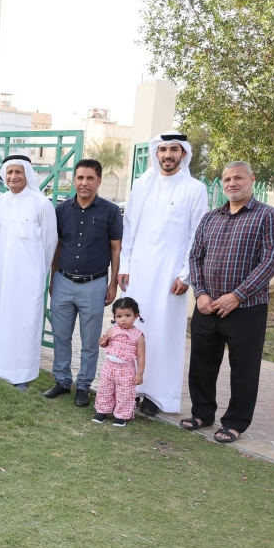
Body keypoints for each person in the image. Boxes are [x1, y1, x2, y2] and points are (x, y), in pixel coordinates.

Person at [184, 161, 274, 443]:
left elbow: (271, 261)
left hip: (247, 309)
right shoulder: (210, 218)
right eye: (227, 179)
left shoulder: (268, 216)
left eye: (238, 178)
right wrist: (200, 293)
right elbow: (195, 257)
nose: (232, 183)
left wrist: (238, 295)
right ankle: (202, 413)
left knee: (244, 368)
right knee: (202, 363)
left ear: (251, 179)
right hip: (207, 306)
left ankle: (235, 422)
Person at [118, 131, 208, 416]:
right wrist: (124, 265)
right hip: (139, 273)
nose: (167, 155)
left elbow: (197, 235)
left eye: (174, 150)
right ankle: (129, 388)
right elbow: (129, 228)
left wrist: (186, 275)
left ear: (183, 154)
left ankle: (158, 397)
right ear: (156, 153)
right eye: (163, 149)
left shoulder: (195, 189)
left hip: (171, 277)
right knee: (134, 330)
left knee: (165, 333)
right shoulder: (141, 185)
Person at [44, 159, 123, 407]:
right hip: (63, 281)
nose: (84, 183)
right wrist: (53, 277)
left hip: (94, 283)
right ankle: (62, 381)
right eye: (80, 178)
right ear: (74, 180)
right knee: (61, 335)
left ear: (99, 181)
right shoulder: (61, 210)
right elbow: (56, 245)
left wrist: (112, 284)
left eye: (90, 178)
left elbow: (115, 248)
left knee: (90, 341)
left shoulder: (110, 211)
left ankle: (84, 385)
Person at [0, 155, 57, 390]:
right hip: (2, 272)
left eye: (18, 172)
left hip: (28, 275)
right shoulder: (0, 201)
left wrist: (39, 273)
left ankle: (22, 374)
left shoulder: (41, 203)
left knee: (24, 322)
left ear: (28, 174)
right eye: (9, 172)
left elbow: (50, 242)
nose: (13, 177)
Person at [93, 297, 146, 427]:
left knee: (125, 393)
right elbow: (104, 345)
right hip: (109, 367)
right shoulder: (112, 331)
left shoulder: (138, 336)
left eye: (128, 315)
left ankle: (121, 415)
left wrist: (139, 374)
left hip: (126, 369)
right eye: (119, 316)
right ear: (115, 317)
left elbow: (141, 356)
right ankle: (102, 411)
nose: (123, 319)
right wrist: (103, 342)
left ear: (136, 316)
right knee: (105, 389)